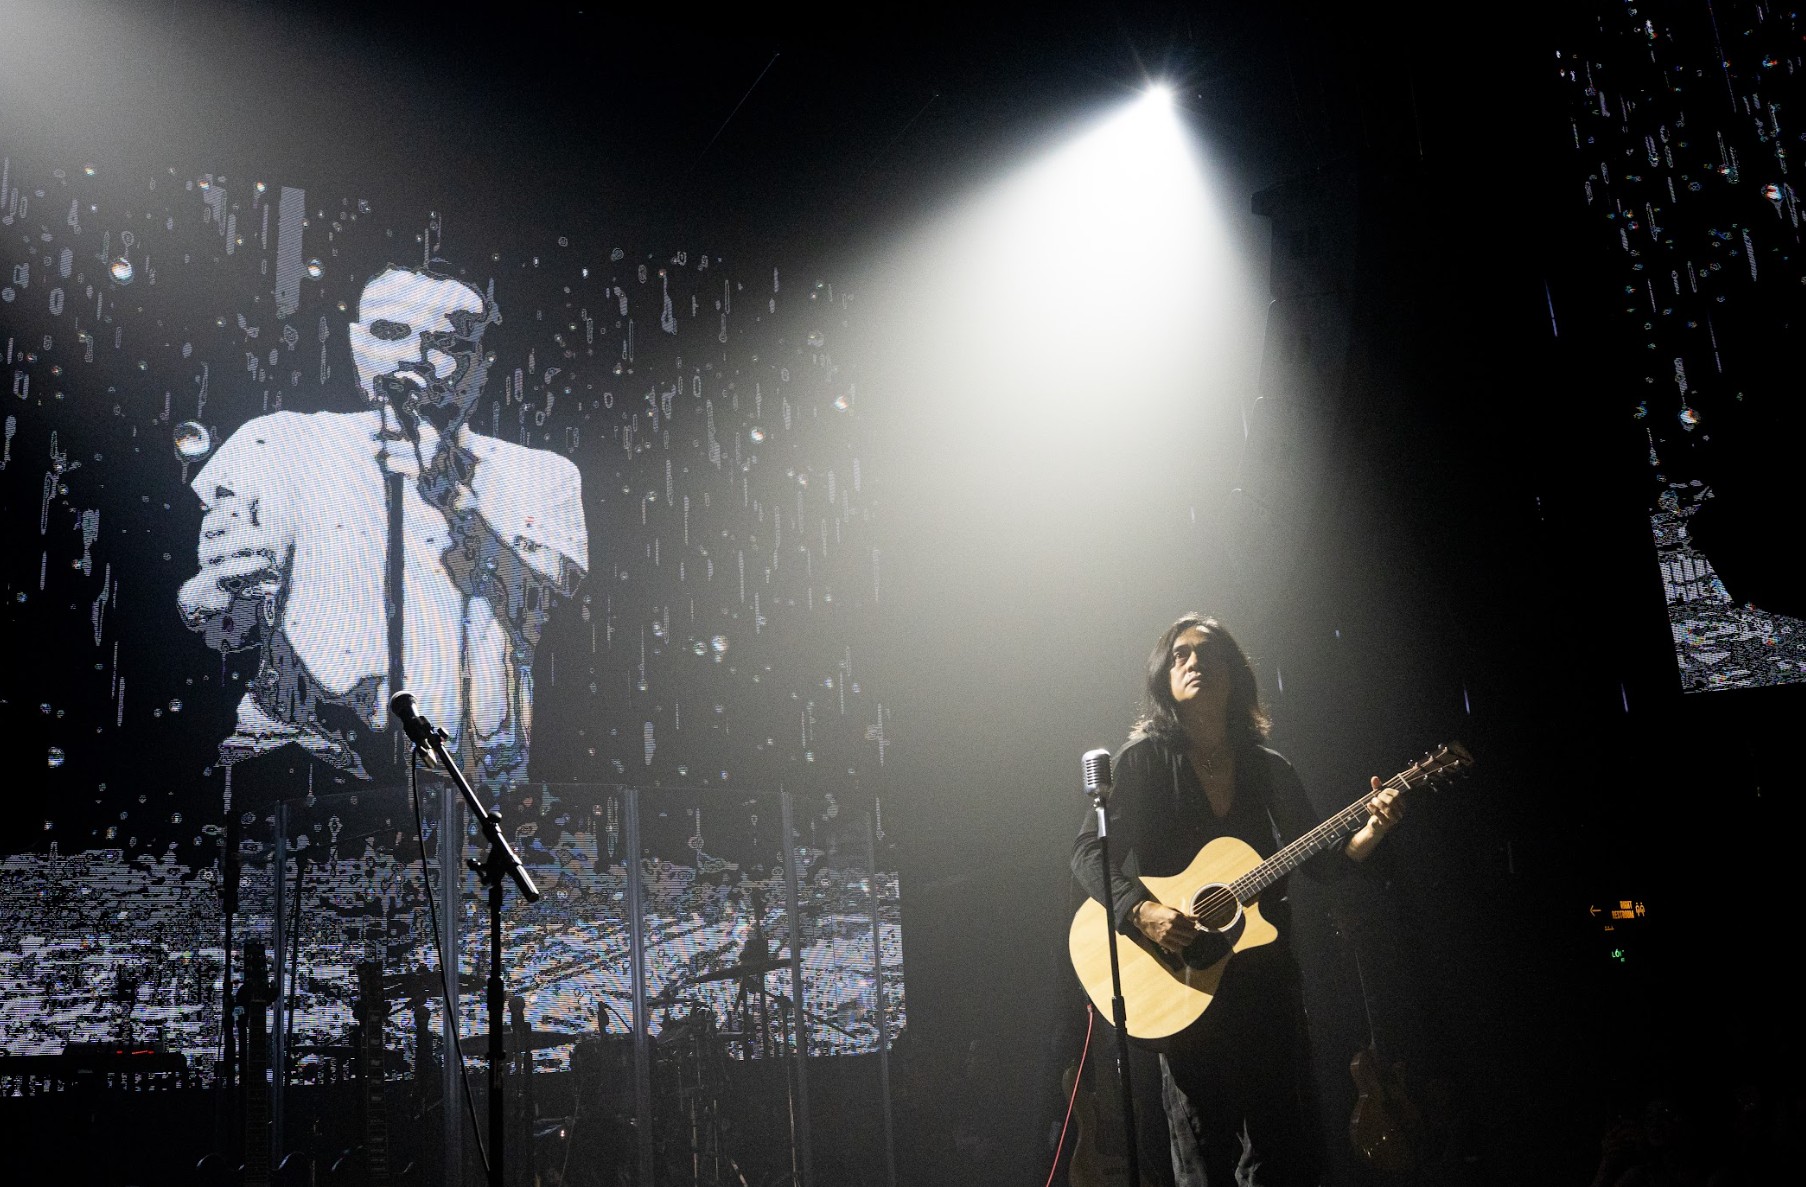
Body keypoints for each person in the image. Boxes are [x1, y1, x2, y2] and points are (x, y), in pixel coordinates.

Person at [177, 265, 588, 789]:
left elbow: (549, 597)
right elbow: (222, 630)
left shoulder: (538, 474)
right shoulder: (279, 443)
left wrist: (453, 497)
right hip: (305, 763)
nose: (413, 357)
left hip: (473, 778)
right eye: (390, 333)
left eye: (444, 342)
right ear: (355, 342)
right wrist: (219, 597)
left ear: (484, 365)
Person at [1071, 613, 1405, 1187]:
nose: (1194, 662)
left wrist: (1370, 831)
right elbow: (1087, 854)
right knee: (1201, 1156)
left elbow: (1320, 860)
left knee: (1278, 1154)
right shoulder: (1143, 761)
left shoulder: (1268, 767)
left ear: (1233, 675)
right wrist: (1142, 912)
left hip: (1263, 985)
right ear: (1164, 680)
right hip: (1184, 984)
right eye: (1180, 655)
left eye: (1208, 653)